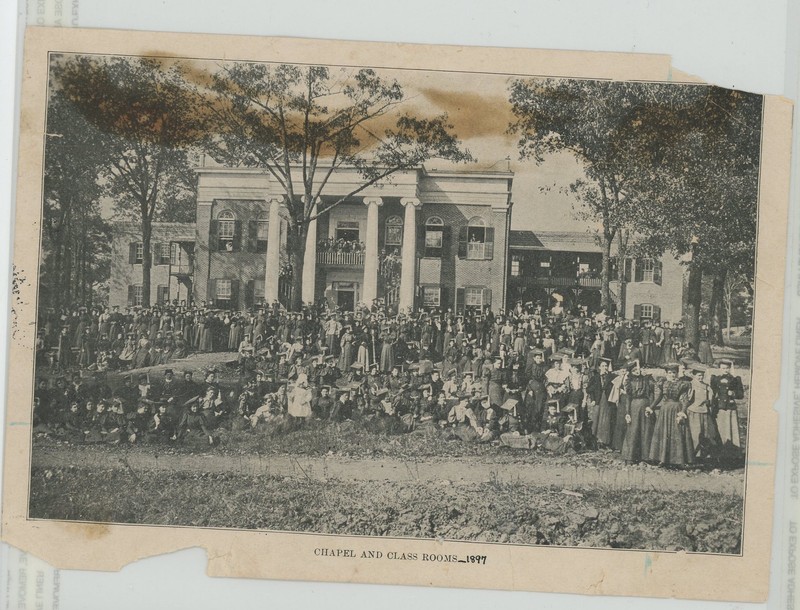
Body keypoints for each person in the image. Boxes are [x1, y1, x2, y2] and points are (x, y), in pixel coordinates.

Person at [647, 363, 694, 467]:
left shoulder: (683, 384)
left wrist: (683, 411)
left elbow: (685, 400)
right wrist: (651, 407)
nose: (672, 375)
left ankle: (677, 460)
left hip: (676, 409)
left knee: (677, 433)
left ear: (677, 373)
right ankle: (662, 459)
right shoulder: (663, 383)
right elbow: (659, 397)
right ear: (666, 373)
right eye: (670, 373)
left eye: (674, 373)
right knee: (663, 433)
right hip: (665, 410)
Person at [620, 360, 654, 463]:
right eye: (634, 370)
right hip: (634, 407)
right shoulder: (629, 382)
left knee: (646, 429)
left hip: (645, 405)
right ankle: (631, 456)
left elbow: (651, 394)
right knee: (633, 430)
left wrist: (650, 407)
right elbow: (628, 398)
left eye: (638, 369)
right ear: (630, 372)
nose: (637, 372)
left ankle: (646, 457)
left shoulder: (647, 380)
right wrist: (627, 413)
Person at [710, 358, 745, 448]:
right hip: (719, 408)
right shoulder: (715, 379)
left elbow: (741, 395)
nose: (725, 370)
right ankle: (720, 449)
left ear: (730, 368)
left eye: (727, 368)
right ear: (719, 369)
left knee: (730, 428)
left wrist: (733, 393)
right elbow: (712, 393)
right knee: (720, 428)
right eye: (723, 368)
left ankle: (732, 451)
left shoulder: (735, 379)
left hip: (730, 408)